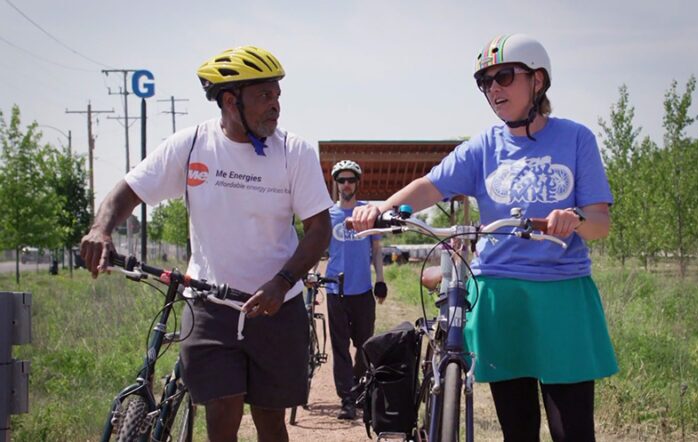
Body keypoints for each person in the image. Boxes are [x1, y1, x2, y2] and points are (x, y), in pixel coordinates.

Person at [351, 34, 618, 441]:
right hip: (499, 295)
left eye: (504, 76)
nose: (494, 89)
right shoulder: (483, 147)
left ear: (538, 81)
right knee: (518, 428)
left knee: (574, 430)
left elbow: (600, 222)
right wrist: (382, 208)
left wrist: (575, 217)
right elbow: (430, 185)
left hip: (562, 295)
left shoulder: (576, 138)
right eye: (485, 82)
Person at [80, 45, 333, 442]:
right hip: (210, 308)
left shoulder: (294, 152)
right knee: (221, 414)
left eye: (278, 95)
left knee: (270, 422)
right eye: (265, 95)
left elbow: (319, 228)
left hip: (277, 309)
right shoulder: (193, 144)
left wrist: (282, 282)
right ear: (231, 101)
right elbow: (129, 189)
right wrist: (101, 228)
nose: (276, 106)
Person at [325, 160, 387, 420]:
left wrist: (380, 280)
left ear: (357, 183)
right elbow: (316, 247)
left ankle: (361, 392)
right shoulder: (327, 215)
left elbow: (376, 249)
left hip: (362, 289)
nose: (346, 184)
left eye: (351, 180)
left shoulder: (368, 213)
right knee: (339, 348)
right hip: (334, 288)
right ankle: (347, 399)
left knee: (364, 345)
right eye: (342, 180)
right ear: (336, 184)